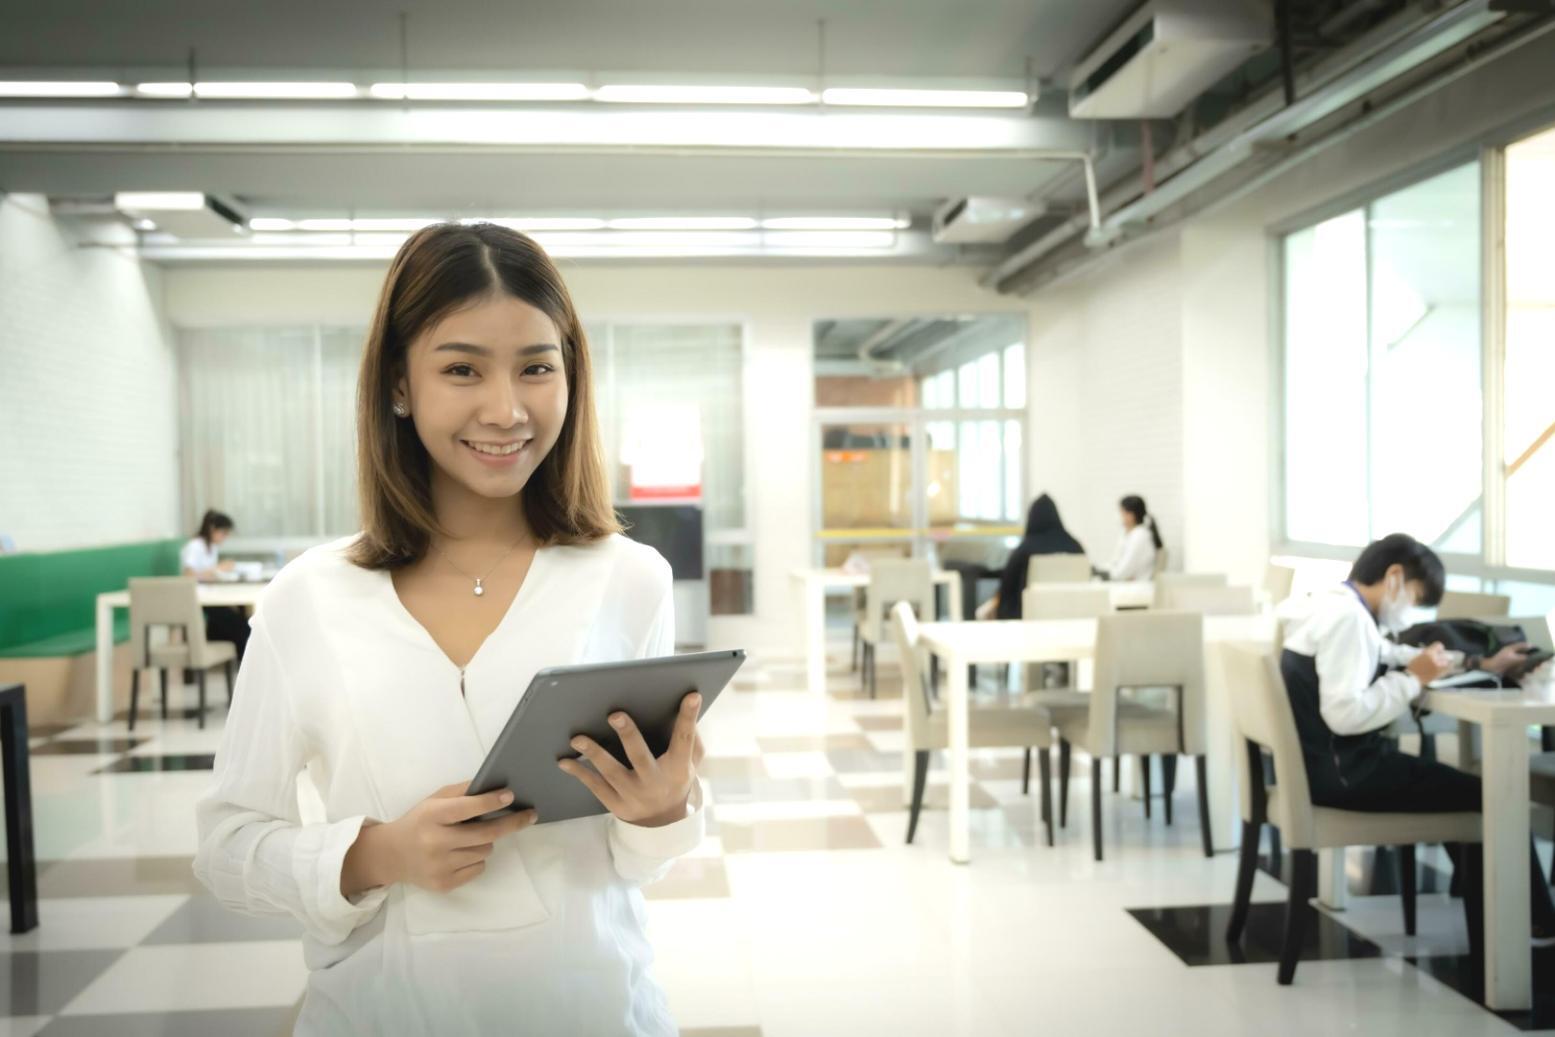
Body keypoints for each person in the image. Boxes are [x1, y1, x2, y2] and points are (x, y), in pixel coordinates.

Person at [194, 223, 706, 1034]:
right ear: (399, 384)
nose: (505, 409)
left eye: (536, 367)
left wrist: (659, 810)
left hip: (593, 1009)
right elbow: (226, 846)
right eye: (462, 368)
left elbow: (636, 865)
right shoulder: (309, 597)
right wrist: (376, 853)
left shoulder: (629, 577)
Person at [1280, 532, 1555, 941]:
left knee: (1465, 790)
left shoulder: (1332, 605)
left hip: (1330, 768)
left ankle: (1508, 914)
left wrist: (1477, 662)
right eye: (1415, 597)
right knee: (1489, 795)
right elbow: (1345, 714)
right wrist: (1412, 680)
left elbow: (1388, 653)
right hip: (1348, 772)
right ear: (1394, 576)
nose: (1412, 612)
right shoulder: (1349, 619)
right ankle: (1526, 922)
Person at [987, 494, 1086, 620]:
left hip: (1026, 621)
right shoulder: (1076, 548)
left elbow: (1006, 591)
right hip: (1074, 620)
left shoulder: (1023, 550)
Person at [181, 509, 249, 663]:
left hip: (210, 598)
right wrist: (217, 569)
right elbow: (188, 576)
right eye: (223, 533)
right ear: (212, 529)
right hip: (198, 600)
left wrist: (220, 571)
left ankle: (236, 660)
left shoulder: (211, 548)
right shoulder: (195, 546)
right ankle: (242, 665)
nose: (225, 537)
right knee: (242, 628)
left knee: (241, 622)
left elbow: (208, 574)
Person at [1102, 494, 1160, 581]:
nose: (1120, 517)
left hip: (1137, 586)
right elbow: (1115, 561)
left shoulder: (1140, 536)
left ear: (1131, 515)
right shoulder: (1129, 534)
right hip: (1129, 583)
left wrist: (1104, 575)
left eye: (1121, 512)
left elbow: (1123, 571)